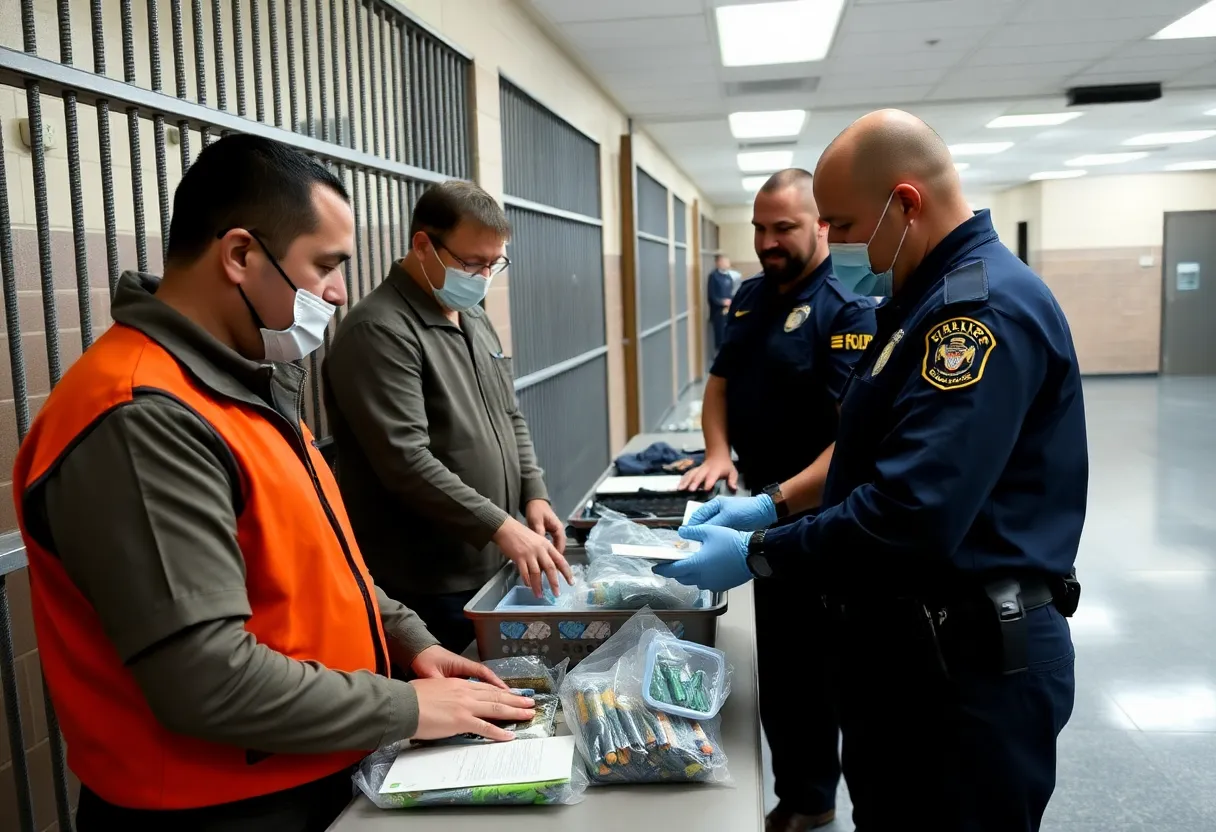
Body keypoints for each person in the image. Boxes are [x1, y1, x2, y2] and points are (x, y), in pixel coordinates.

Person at [11, 135, 534, 831]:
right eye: (325, 266)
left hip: (307, 767)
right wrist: (406, 707)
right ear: (239, 255)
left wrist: (410, 641)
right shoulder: (141, 416)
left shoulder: (239, 383)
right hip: (215, 808)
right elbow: (208, 680)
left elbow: (315, 562)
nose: (338, 293)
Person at [658, 110, 1085, 832]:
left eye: (844, 225)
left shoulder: (976, 317)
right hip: (911, 652)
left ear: (906, 203)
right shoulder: (918, 303)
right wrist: (769, 507)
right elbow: (869, 452)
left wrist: (760, 550)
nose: (838, 243)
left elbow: (910, 513)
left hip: (969, 665)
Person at [678, 168, 876, 832]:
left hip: (821, 520)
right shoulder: (750, 296)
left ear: (821, 225)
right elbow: (719, 382)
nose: (767, 241)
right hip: (760, 509)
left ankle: (816, 801)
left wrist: (773, 504)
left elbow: (853, 441)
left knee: (822, 673)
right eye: (760, 227)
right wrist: (717, 454)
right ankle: (803, 797)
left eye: (783, 227)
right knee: (785, 670)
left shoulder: (846, 308)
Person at [324, 181, 573, 655]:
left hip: (491, 559)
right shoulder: (379, 330)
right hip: (428, 581)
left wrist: (533, 492)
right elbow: (405, 461)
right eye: (472, 263)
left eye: (494, 264)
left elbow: (508, 413)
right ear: (423, 245)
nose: (483, 277)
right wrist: (502, 526)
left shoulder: (472, 315)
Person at [707, 254, 738, 352]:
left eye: (727, 262)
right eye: (725, 261)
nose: (727, 264)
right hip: (718, 312)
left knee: (729, 334)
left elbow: (731, 292)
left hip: (729, 310)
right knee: (720, 335)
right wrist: (722, 302)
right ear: (718, 263)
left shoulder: (728, 276)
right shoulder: (714, 276)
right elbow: (712, 295)